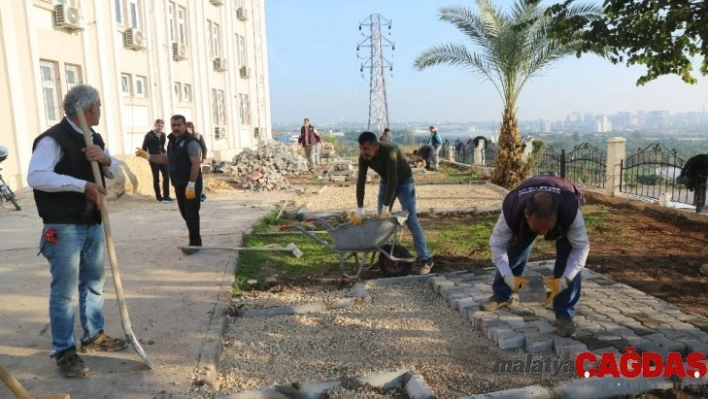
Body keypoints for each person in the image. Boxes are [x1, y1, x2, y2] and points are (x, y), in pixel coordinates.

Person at [27, 84, 128, 378]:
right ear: (89, 109)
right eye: (99, 104)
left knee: (94, 282)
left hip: (92, 222)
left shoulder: (93, 136)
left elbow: (113, 168)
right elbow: (37, 176)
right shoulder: (52, 139)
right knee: (64, 292)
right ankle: (64, 351)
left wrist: (105, 159)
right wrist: (81, 185)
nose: (101, 109)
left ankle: (93, 335)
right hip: (63, 226)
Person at [482, 175, 589, 337]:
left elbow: (580, 249)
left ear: (556, 216)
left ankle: (564, 313)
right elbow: (497, 246)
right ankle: (502, 294)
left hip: (563, 197)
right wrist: (508, 278)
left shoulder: (570, 214)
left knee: (568, 258)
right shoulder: (512, 212)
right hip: (525, 206)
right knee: (515, 250)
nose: (543, 234)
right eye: (538, 229)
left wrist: (566, 279)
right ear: (526, 214)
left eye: (547, 228)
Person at [354, 131, 435, 274]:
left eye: (366, 148)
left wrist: (386, 207)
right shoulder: (364, 158)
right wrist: (360, 208)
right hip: (386, 183)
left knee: (411, 220)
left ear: (376, 146)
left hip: (404, 182)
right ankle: (386, 257)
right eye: (361, 148)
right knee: (382, 223)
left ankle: (426, 259)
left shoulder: (389, 151)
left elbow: (394, 180)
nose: (363, 152)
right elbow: (360, 181)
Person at [136, 115, 203, 254]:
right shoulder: (172, 142)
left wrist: (191, 184)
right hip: (178, 183)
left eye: (179, 125)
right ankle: (196, 240)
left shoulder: (190, 142)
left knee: (191, 213)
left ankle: (195, 244)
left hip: (190, 183)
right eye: (174, 125)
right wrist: (148, 156)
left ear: (185, 126)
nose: (176, 128)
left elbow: (196, 162)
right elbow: (166, 159)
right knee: (185, 213)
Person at [141, 119, 172, 202]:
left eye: (161, 126)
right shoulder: (149, 135)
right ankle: (158, 196)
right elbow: (144, 147)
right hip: (154, 159)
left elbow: (162, 147)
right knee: (156, 178)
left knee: (166, 176)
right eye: (158, 126)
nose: (160, 128)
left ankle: (166, 196)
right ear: (155, 125)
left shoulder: (163, 135)